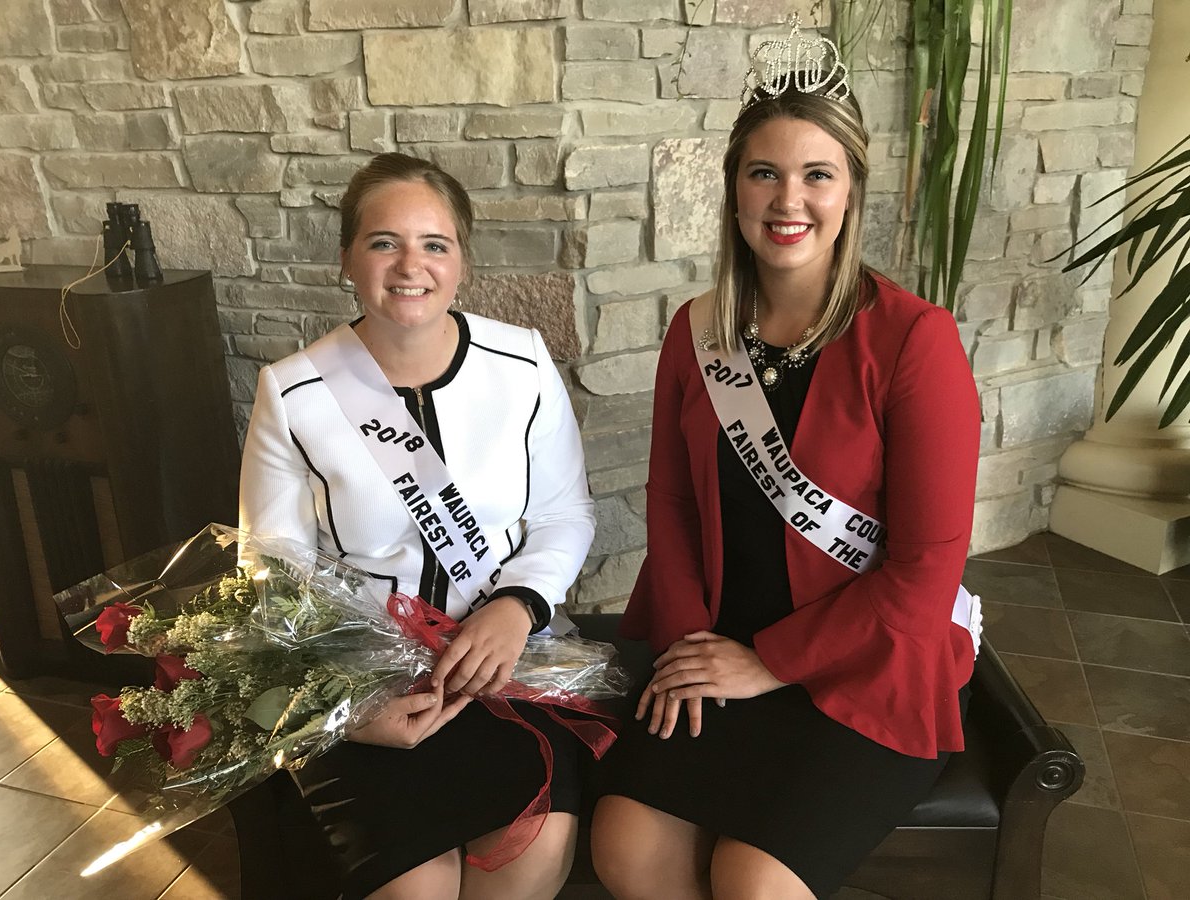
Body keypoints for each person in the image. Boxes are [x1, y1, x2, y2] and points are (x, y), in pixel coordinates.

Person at [590, 20, 982, 900]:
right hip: (722, 644)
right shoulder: (697, 332)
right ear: (734, 187)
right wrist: (690, 648)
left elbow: (925, 568)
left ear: (850, 193)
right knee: (627, 847)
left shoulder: (914, 339)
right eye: (764, 172)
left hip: (867, 660)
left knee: (754, 880)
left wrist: (768, 663)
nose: (787, 199)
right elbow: (671, 504)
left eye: (817, 174)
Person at [238, 152, 595, 900]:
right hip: (362, 682)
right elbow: (273, 574)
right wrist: (346, 709)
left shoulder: (523, 365)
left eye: (435, 244)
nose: (411, 266)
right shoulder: (294, 391)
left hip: (504, 666)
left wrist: (516, 606)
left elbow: (563, 514)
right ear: (347, 258)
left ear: (461, 260)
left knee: (533, 853)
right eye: (383, 242)